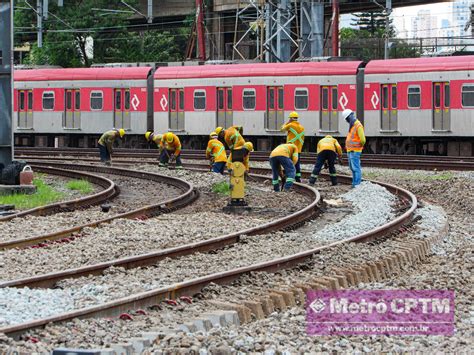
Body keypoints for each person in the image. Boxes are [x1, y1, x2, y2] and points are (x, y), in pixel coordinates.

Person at [343, 109, 366, 187]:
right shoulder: (352, 125)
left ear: (349, 117)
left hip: (355, 151)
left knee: (356, 168)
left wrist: (359, 146)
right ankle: (354, 183)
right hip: (350, 150)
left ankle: (357, 184)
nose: (346, 121)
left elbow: (363, 139)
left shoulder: (358, 125)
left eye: (346, 119)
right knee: (352, 168)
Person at [280, 111, 305, 182]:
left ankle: (288, 176)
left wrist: (287, 122)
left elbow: (282, 129)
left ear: (291, 118)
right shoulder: (302, 127)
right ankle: (298, 178)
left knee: (288, 163)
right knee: (297, 163)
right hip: (298, 148)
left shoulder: (290, 125)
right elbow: (302, 139)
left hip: (290, 148)